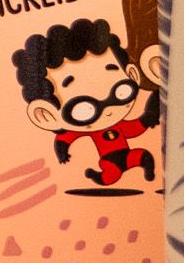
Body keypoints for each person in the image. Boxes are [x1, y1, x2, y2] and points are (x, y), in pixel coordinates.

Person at [11, 15, 156, 186]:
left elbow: (133, 129)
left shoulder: (118, 125)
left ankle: (147, 171)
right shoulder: (90, 129)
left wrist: (149, 116)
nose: (107, 109)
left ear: (132, 75)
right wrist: (62, 151)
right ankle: (96, 176)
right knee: (111, 176)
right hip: (109, 161)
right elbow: (67, 137)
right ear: (47, 115)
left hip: (129, 155)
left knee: (143, 156)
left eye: (121, 92)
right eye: (84, 109)